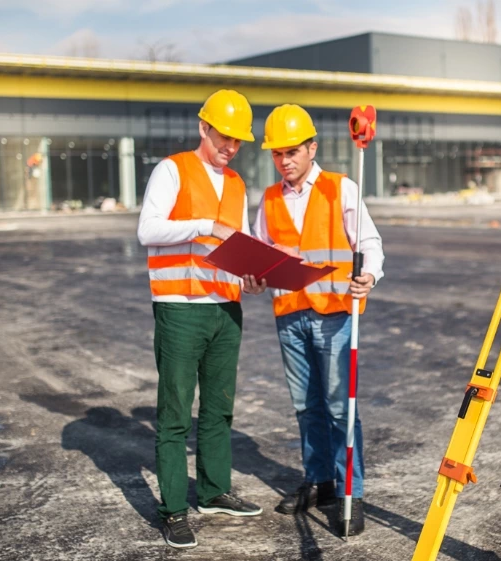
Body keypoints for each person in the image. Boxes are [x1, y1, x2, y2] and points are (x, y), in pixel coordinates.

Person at [137, 89, 267, 549]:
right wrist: (201, 225)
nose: (230, 147)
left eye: (237, 141)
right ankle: (173, 509)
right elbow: (147, 229)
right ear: (203, 128)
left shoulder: (236, 185)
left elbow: (243, 244)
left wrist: (253, 277)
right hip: (179, 309)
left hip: (225, 310)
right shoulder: (172, 170)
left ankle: (213, 492)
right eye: (223, 137)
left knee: (218, 409)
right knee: (174, 414)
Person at [252, 104, 384, 536]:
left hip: (333, 315)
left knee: (338, 407)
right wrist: (253, 277)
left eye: (291, 151)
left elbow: (369, 241)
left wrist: (368, 275)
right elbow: (260, 252)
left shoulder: (339, 188)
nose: (284, 161)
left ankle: (351, 492)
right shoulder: (270, 200)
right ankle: (320, 481)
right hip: (289, 316)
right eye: (277, 154)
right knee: (306, 407)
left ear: (312, 147)